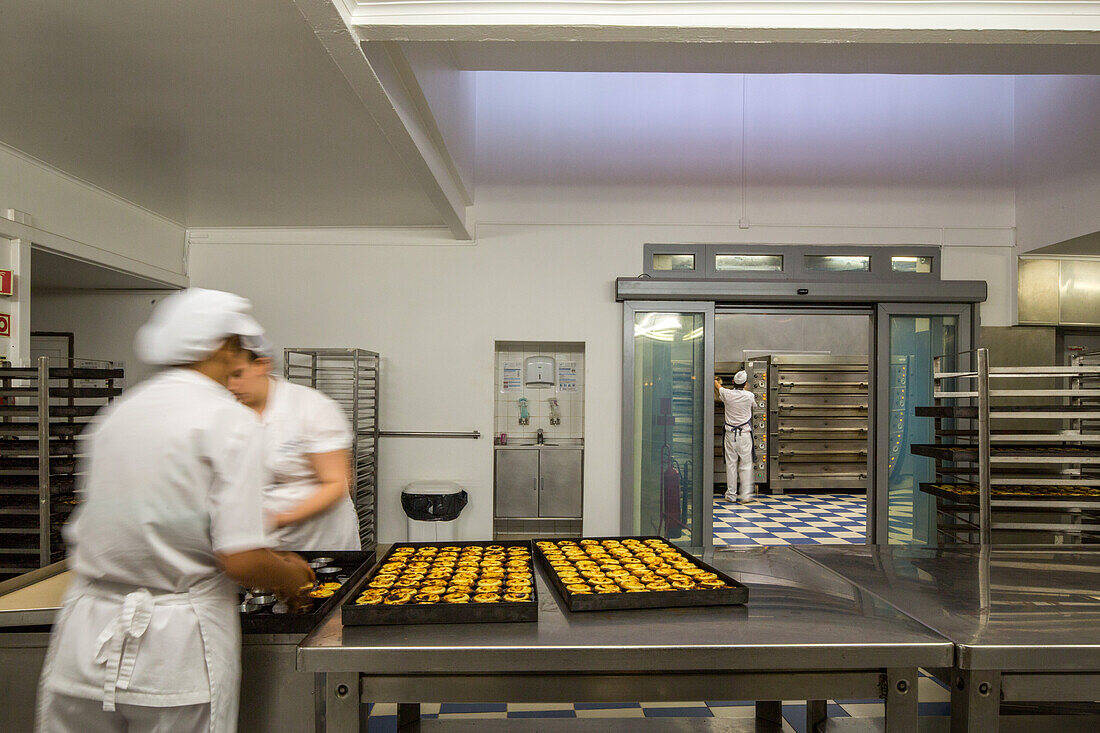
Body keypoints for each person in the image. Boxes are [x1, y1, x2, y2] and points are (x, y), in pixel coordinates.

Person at [37, 288, 315, 733]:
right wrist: (290, 576)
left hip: (86, 643)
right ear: (224, 346)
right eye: (239, 348)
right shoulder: (227, 421)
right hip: (174, 653)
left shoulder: (117, 415)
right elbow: (240, 558)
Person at [227, 339, 360, 551]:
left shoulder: (310, 407)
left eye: (237, 374)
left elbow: (335, 483)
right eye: (225, 377)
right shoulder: (230, 414)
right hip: (262, 542)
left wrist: (275, 520)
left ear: (262, 365)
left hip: (319, 540)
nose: (231, 386)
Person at [715, 370, 757, 503]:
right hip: (744, 434)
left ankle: (731, 495)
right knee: (745, 465)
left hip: (730, 434)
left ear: (733, 382)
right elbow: (754, 406)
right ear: (745, 384)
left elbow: (718, 387)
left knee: (731, 465)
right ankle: (745, 495)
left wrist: (715, 379)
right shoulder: (749, 396)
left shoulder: (727, 394)